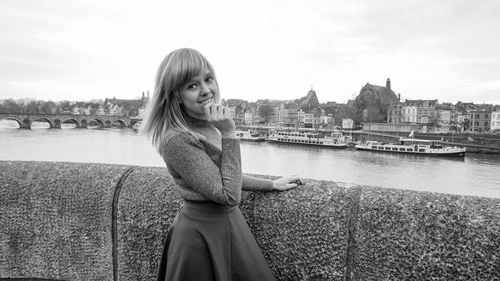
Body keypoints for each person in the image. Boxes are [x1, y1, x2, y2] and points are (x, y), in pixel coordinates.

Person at [141, 48, 303, 281]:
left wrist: (271, 185)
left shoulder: (205, 125)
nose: (206, 90)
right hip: (199, 236)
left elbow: (223, 177)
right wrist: (229, 133)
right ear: (176, 95)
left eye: (208, 79)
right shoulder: (177, 138)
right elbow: (228, 194)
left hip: (225, 226)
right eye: (192, 85)